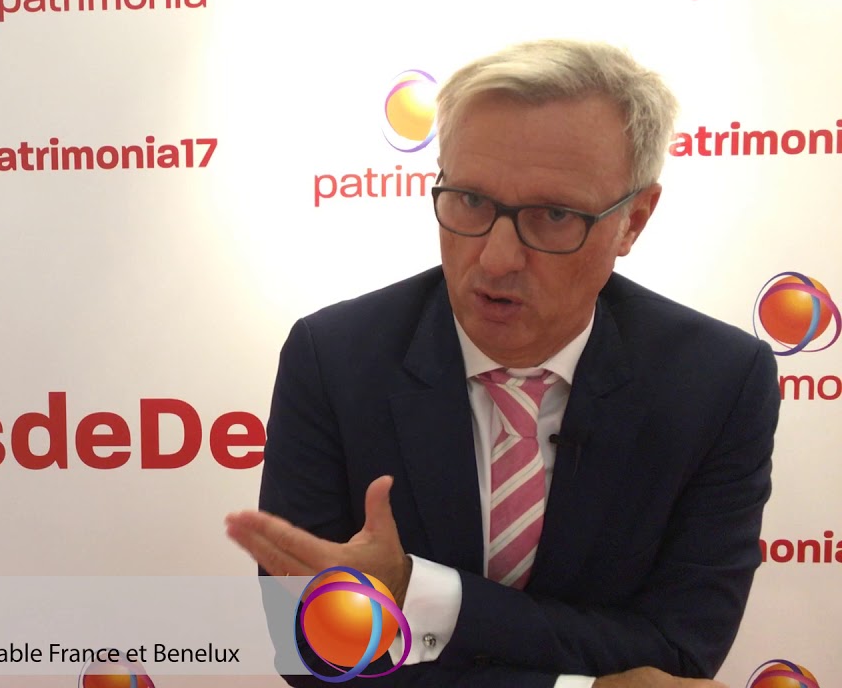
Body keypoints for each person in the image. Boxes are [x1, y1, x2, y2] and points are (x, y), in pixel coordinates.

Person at [225, 39, 780, 688]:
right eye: (470, 201)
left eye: (553, 215)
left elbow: (678, 655)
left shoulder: (718, 382)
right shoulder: (333, 357)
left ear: (634, 219)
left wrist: (416, 592)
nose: (495, 259)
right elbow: (316, 648)